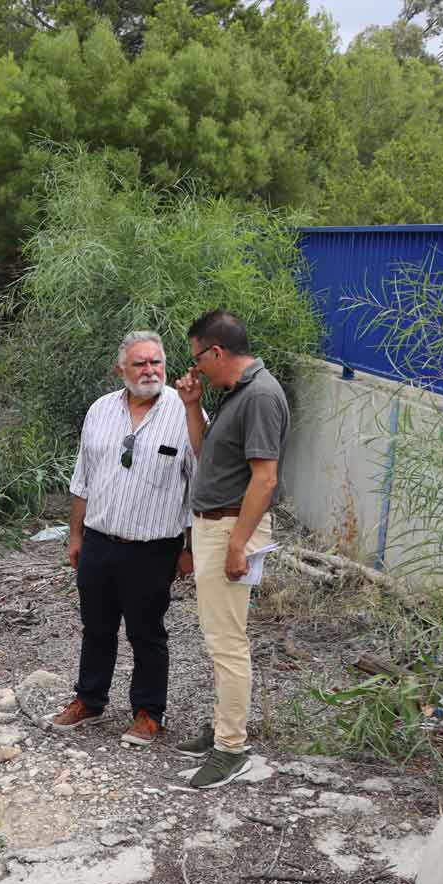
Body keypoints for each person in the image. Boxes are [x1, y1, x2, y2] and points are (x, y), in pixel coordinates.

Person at [51, 331, 197, 747]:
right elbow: (83, 478)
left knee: (146, 633)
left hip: (153, 548)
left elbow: (197, 486)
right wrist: (75, 534)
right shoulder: (100, 410)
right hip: (99, 541)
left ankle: (149, 713)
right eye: (140, 363)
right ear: (120, 370)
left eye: (156, 362)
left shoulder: (186, 413)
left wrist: (190, 548)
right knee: (96, 627)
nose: (150, 370)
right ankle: (89, 699)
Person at [172, 309, 289, 789]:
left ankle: (231, 749)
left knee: (227, 642)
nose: (195, 367)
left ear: (216, 351)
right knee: (218, 636)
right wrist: (191, 406)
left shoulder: (259, 396)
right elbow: (208, 458)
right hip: (216, 526)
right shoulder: (236, 394)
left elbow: (266, 478)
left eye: (198, 358)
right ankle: (224, 728)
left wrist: (238, 544)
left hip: (230, 528)